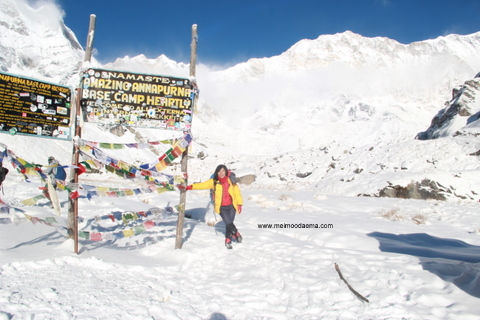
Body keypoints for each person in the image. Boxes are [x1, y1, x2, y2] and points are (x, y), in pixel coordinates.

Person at [181, 164, 243, 249]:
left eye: (223, 171)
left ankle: (228, 238)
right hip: (222, 207)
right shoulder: (214, 181)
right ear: (216, 172)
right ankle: (236, 233)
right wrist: (190, 187)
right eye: (219, 171)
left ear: (226, 172)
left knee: (229, 224)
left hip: (232, 206)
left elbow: (237, 193)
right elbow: (202, 185)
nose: (221, 173)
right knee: (228, 222)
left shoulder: (231, 181)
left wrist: (239, 204)